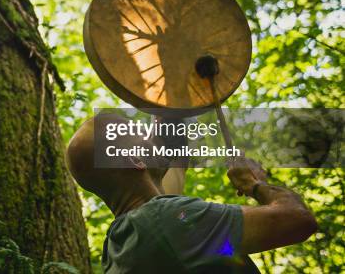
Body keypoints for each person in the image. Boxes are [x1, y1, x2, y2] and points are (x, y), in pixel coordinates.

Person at [66, 113, 318, 273]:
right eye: (140, 135)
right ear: (136, 159)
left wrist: (167, 98)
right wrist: (254, 184)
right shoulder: (167, 220)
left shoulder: (120, 245)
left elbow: (172, 155)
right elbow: (297, 219)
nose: (151, 139)